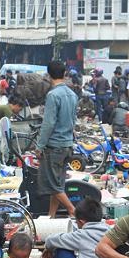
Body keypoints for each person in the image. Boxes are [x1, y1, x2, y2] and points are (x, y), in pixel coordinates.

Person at [35, 61, 78, 218]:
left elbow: (48, 123)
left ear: (48, 75)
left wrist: (40, 146)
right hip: (67, 145)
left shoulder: (53, 95)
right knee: (58, 185)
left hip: (55, 146)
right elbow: (74, 121)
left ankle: (72, 210)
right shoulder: (72, 95)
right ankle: (51, 216)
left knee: (53, 186)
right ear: (64, 73)